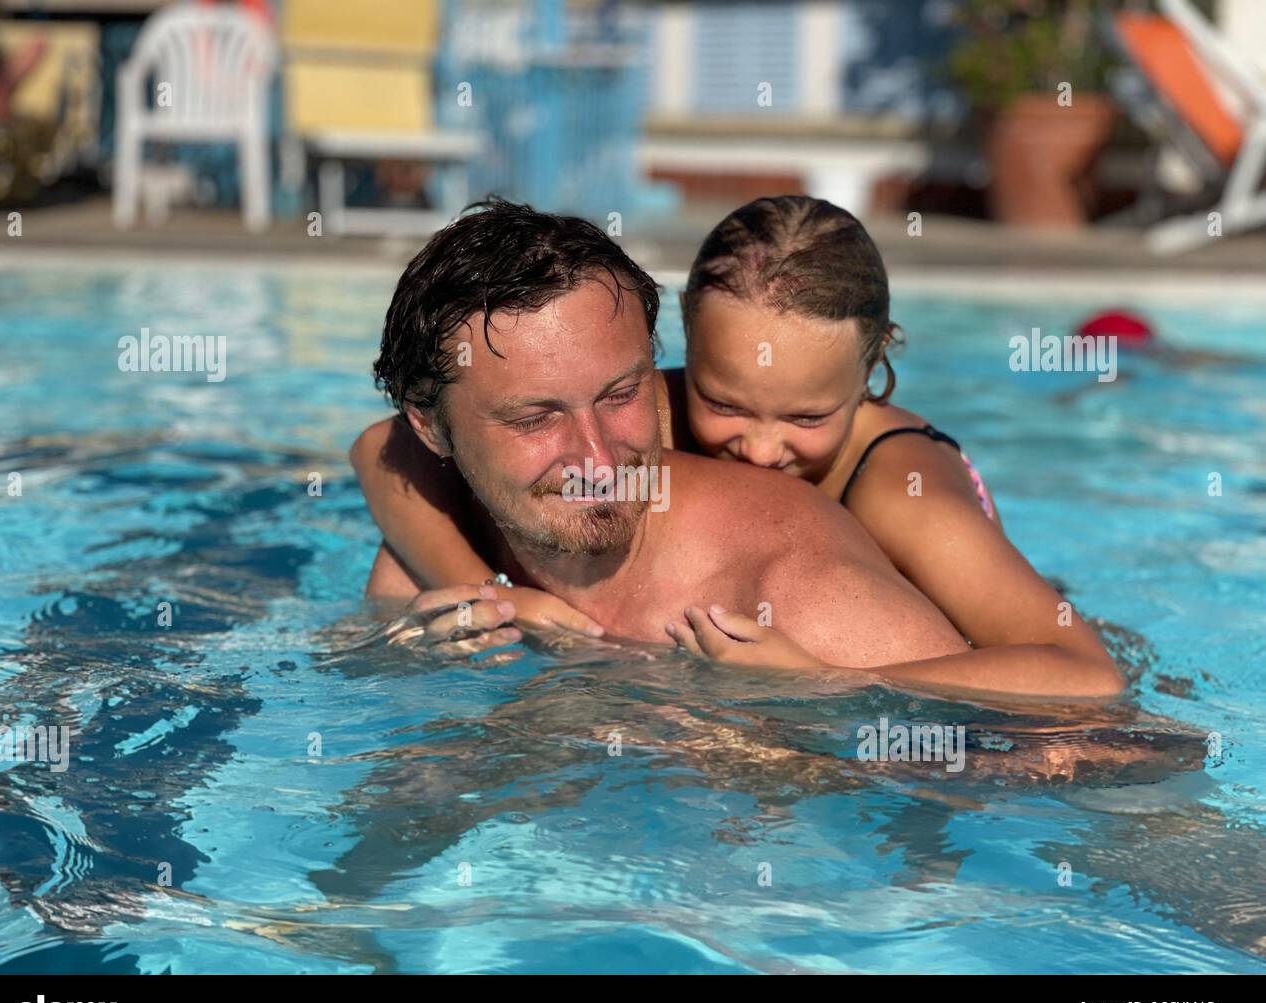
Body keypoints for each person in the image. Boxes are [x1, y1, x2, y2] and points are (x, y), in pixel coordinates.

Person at [357, 198, 1125, 697]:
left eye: (806, 416)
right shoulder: (618, 390)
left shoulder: (903, 486)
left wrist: (830, 680)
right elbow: (381, 451)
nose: (758, 449)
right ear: (686, 349)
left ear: (872, 377)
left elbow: (1087, 679)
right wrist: (506, 603)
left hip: (1013, 625)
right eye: (723, 403)